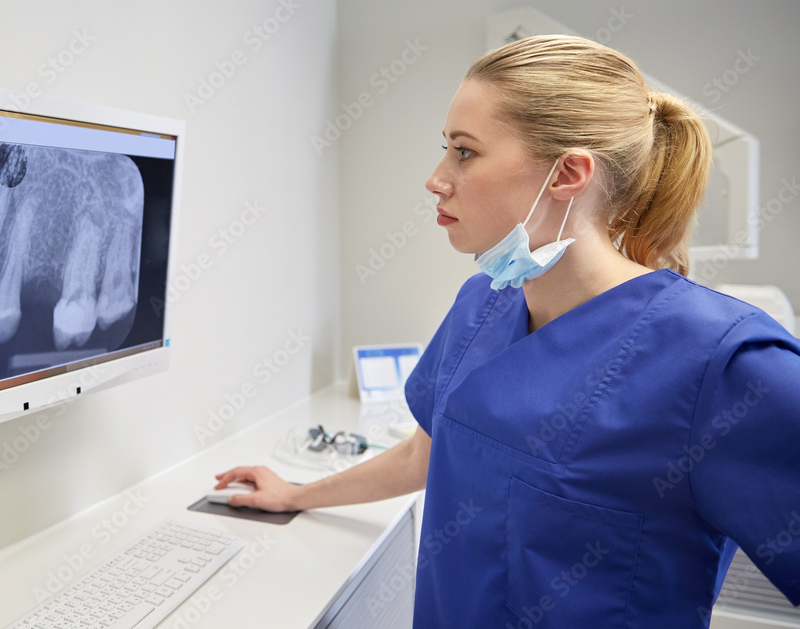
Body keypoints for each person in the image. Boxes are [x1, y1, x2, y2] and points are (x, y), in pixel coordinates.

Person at [215, 35, 800, 627]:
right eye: (445, 149)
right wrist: (294, 495)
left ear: (568, 173)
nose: (436, 179)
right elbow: (429, 451)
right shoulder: (484, 302)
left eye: (465, 153)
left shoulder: (723, 362)